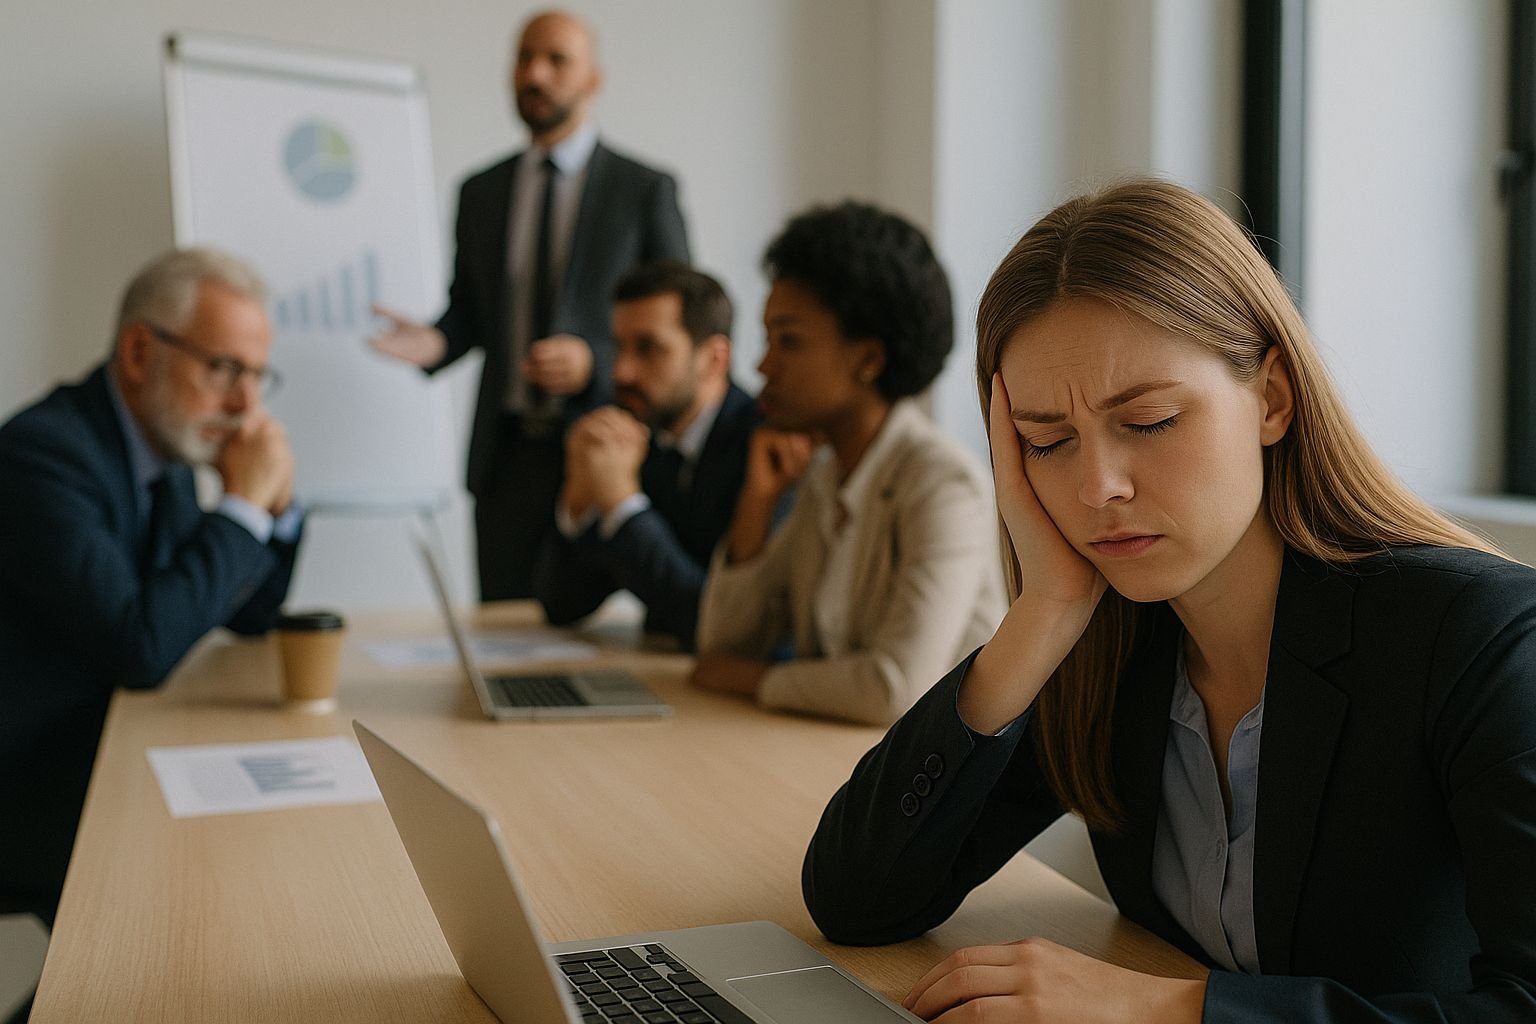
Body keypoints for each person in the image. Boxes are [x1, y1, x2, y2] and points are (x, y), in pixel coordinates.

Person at [801, 180, 1536, 1022]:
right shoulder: (1110, 646)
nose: (1097, 487)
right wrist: (1042, 611)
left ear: (1272, 398)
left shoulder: (1485, 640)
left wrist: (1171, 1011)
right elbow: (856, 899)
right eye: (1047, 441)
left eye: (1148, 421)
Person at [0, 248, 302, 937]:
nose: (245, 404)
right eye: (223, 368)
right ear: (141, 352)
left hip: (104, 749)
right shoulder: (40, 454)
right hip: (30, 780)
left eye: (257, 376)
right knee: (211, 906)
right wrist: (242, 508)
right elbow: (140, 645)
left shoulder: (164, 452)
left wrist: (274, 508)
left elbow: (252, 614)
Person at [370, 9, 690, 600]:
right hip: (507, 457)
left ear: (593, 79)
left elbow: (680, 322)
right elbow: (471, 310)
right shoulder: (481, 191)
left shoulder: (643, 189)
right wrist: (436, 342)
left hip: (603, 450)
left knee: (597, 630)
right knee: (501, 627)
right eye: (524, 58)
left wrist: (596, 361)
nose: (534, 74)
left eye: (556, 60)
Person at [690, 201, 1005, 726]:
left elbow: (895, 689)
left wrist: (755, 679)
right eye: (768, 340)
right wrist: (757, 503)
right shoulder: (825, 474)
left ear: (869, 359)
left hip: (943, 769)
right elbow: (722, 646)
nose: (763, 366)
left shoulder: (942, 481)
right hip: (845, 754)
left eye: (788, 340)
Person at [532, 261, 755, 649]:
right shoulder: (640, 433)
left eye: (648, 349)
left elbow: (714, 621)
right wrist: (579, 501)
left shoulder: (764, 446)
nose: (621, 373)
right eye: (618, 347)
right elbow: (561, 606)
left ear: (714, 359)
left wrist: (622, 504)